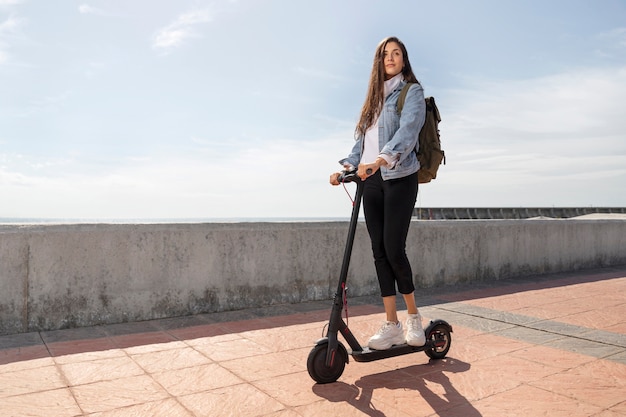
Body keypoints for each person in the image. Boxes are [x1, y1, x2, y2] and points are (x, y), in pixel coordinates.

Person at [329, 36, 426, 350]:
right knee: (379, 252)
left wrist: (381, 160)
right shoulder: (373, 99)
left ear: (404, 59)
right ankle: (391, 324)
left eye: (397, 53)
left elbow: (408, 130)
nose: (391, 58)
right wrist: (346, 167)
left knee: (394, 248)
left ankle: (413, 318)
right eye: (386, 54)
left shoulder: (412, 91)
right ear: (379, 60)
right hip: (370, 181)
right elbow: (361, 143)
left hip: (398, 176)